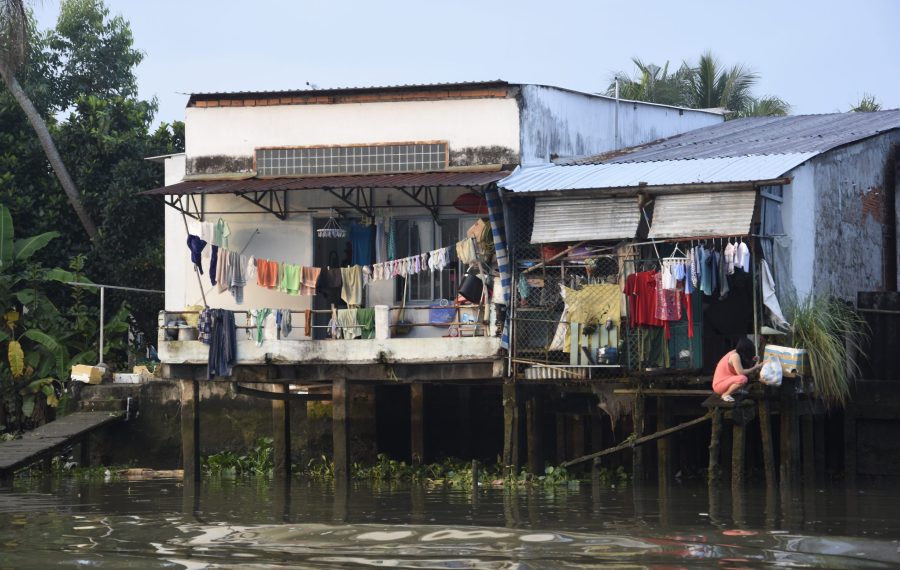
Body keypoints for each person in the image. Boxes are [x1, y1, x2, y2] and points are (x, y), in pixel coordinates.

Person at [713, 337, 763, 402]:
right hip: (719, 385)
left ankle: (734, 390)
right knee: (743, 379)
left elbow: (741, 363)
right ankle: (725, 394)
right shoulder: (735, 356)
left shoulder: (736, 352)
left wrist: (752, 359)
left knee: (743, 378)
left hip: (725, 382)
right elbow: (741, 372)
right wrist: (756, 367)